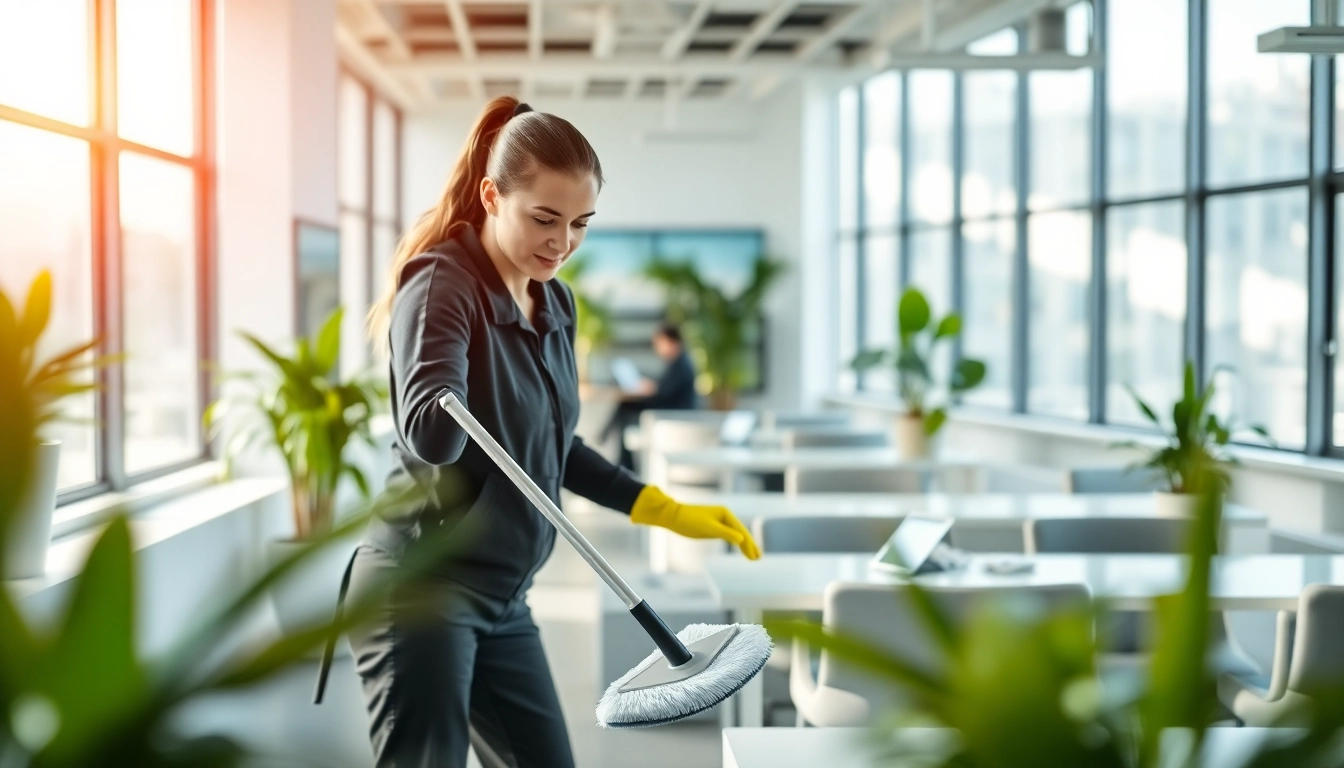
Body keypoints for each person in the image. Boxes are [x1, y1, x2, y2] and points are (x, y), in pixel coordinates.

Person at [328, 96, 760, 768]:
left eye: (581, 223)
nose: (562, 243)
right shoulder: (442, 281)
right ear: (492, 195)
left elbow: (553, 449)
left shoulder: (554, 300)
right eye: (545, 219)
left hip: (505, 596)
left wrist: (666, 510)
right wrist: (438, 385)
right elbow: (430, 437)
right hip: (424, 590)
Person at [601, 322, 699, 470]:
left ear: (670, 341)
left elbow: (664, 393)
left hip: (674, 413)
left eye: (659, 343)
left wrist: (649, 389)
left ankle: (621, 457)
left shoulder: (682, 364)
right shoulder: (678, 362)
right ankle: (621, 457)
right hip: (670, 407)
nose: (657, 348)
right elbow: (666, 388)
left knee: (627, 406)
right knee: (626, 406)